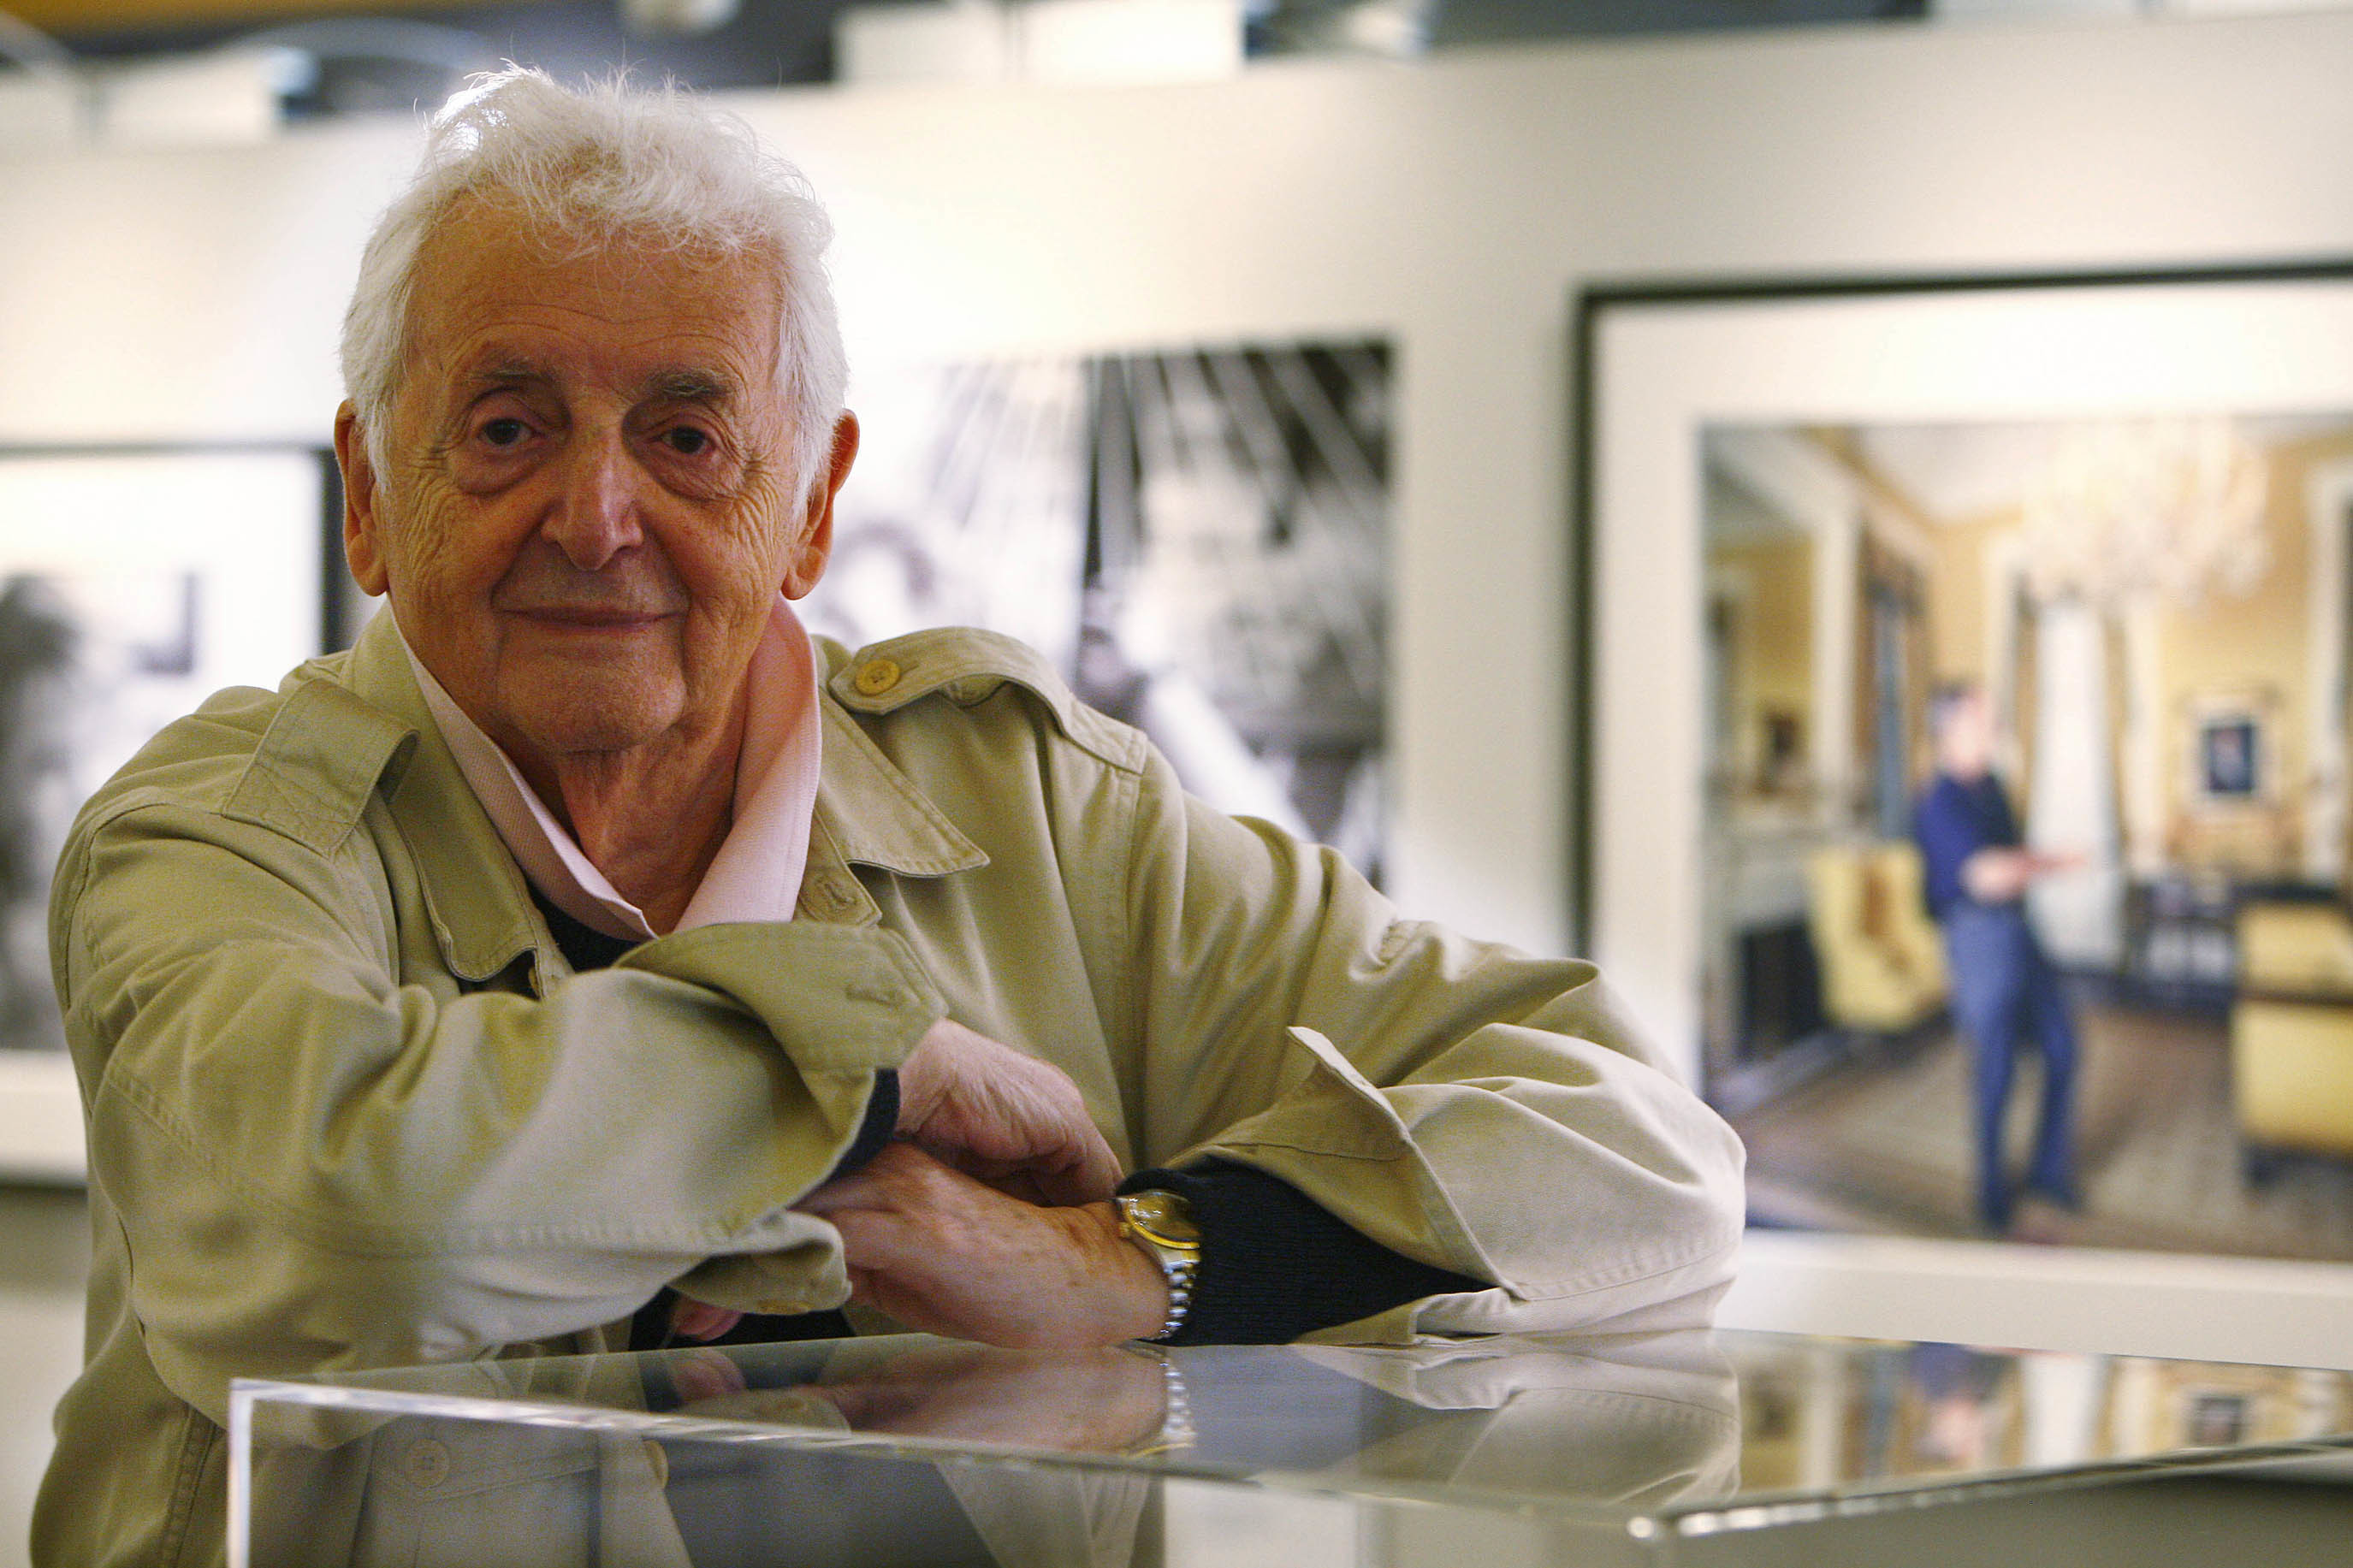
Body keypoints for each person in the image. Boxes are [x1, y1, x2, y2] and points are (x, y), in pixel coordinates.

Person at [33, 70, 1743, 1567]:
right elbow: (327, 1218)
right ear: (369, 494)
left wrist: (1134, 1256)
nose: (596, 512)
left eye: (687, 434)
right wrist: (864, 1081)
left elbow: (1644, 1153)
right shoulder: (223, 832)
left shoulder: (1042, 814)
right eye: (506, 427)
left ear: (810, 504)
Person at [1912, 680, 2081, 1234]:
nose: (1994, 730)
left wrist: (2029, 865)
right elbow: (1985, 877)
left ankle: (2048, 1171)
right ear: (1950, 729)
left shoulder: (1994, 787)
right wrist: (2053, 862)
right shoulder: (1937, 800)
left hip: (2017, 930)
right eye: (1983, 721)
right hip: (1977, 938)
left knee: (2062, 1046)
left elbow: (2011, 862)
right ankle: (1991, 1189)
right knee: (1996, 1067)